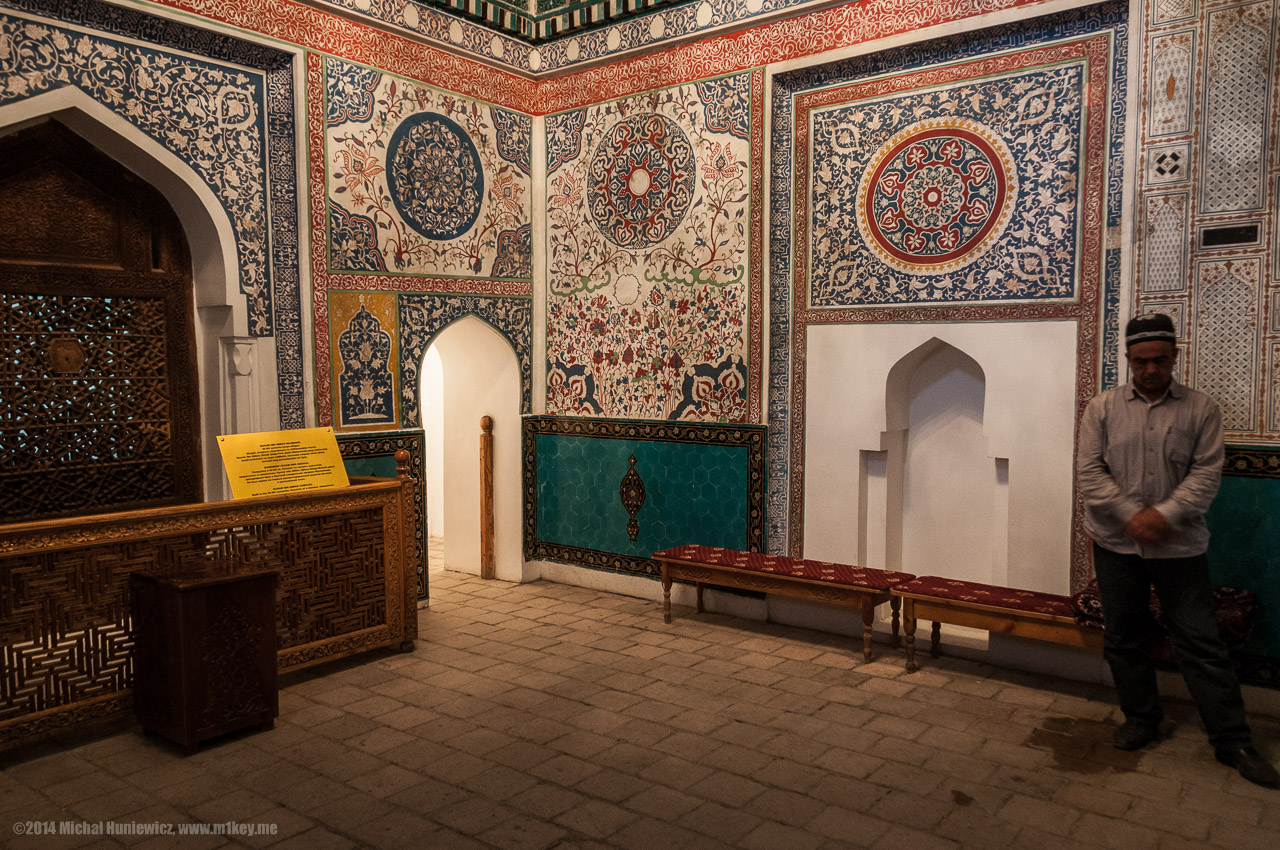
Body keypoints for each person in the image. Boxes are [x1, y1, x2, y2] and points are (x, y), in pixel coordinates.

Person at [1077, 312, 1277, 787]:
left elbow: (1207, 475)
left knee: (1201, 644)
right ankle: (1142, 719)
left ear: (1174, 358)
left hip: (1180, 548)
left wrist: (1162, 516)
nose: (1150, 370)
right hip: (1116, 546)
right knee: (1124, 637)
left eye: (1160, 360)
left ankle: (1233, 741)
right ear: (1127, 360)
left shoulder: (1201, 409)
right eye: (1141, 361)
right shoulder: (1101, 409)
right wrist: (1131, 515)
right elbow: (1090, 474)